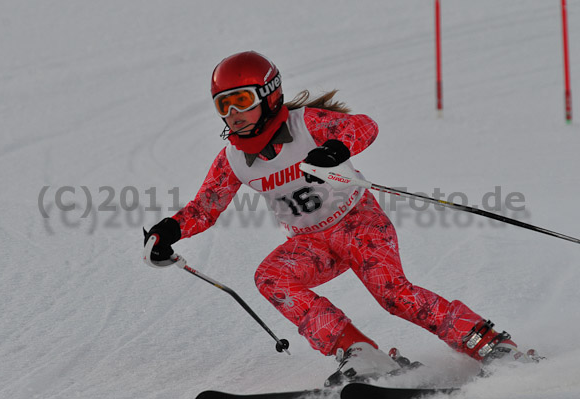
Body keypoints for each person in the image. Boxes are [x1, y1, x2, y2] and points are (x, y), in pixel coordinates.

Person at [143, 51, 538, 385]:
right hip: (311, 243)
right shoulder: (232, 159)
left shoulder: (304, 124)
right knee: (272, 277)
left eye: (241, 100)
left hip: (357, 222)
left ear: (269, 94)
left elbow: (364, 126)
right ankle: (360, 352)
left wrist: (335, 148)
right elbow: (205, 207)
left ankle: (488, 344)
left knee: (393, 294)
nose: (233, 114)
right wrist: (170, 231)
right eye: (223, 105)